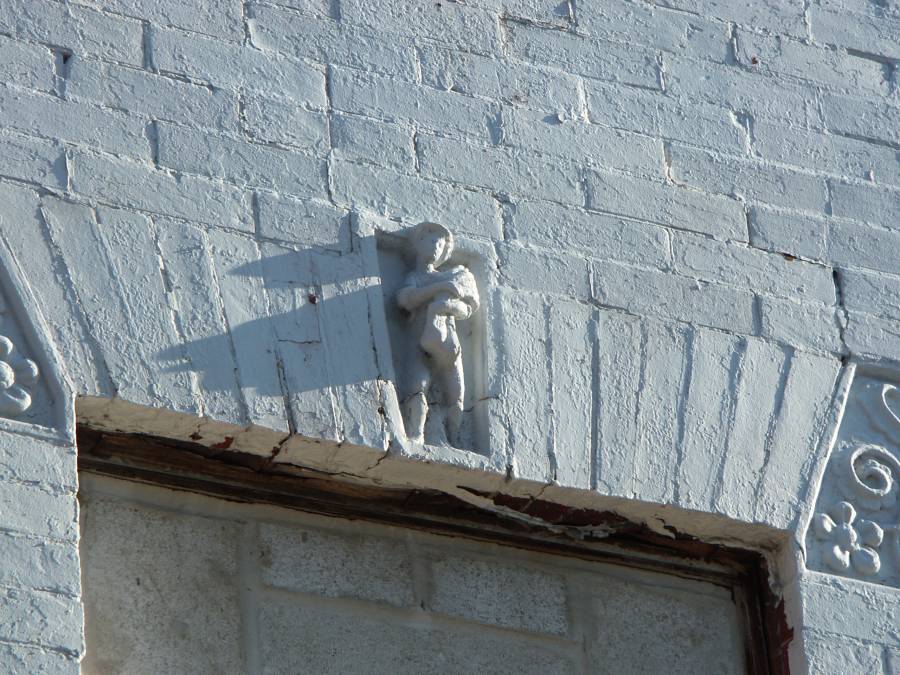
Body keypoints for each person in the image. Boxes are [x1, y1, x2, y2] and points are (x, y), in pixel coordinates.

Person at [397, 222, 479, 445]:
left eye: (440, 243)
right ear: (419, 245)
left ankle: (454, 439)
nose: (435, 246)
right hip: (419, 339)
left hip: (448, 341)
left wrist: (448, 306)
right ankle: (416, 434)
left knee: (456, 391)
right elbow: (406, 300)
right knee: (417, 385)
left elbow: (467, 308)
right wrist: (438, 290)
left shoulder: (454, 276)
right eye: (431, 241)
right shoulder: (417, 278)